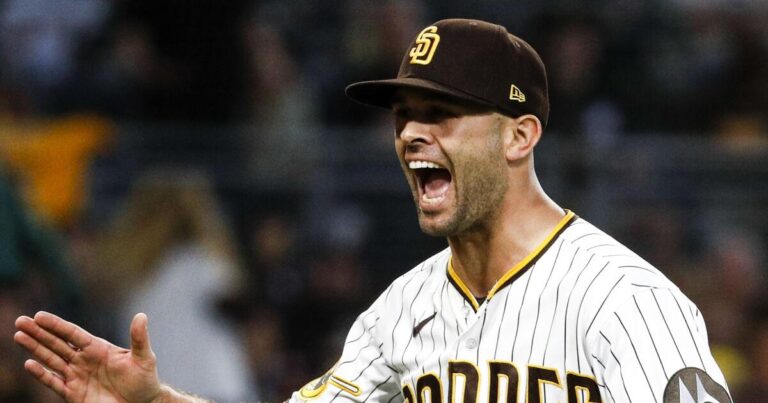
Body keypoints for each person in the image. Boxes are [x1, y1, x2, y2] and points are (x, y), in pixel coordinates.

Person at [14, 18, 732, 403]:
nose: (412, 132)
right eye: (404, 114)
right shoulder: (399, 311)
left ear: (520, 135)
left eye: (443, 113)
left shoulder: (629, 302)